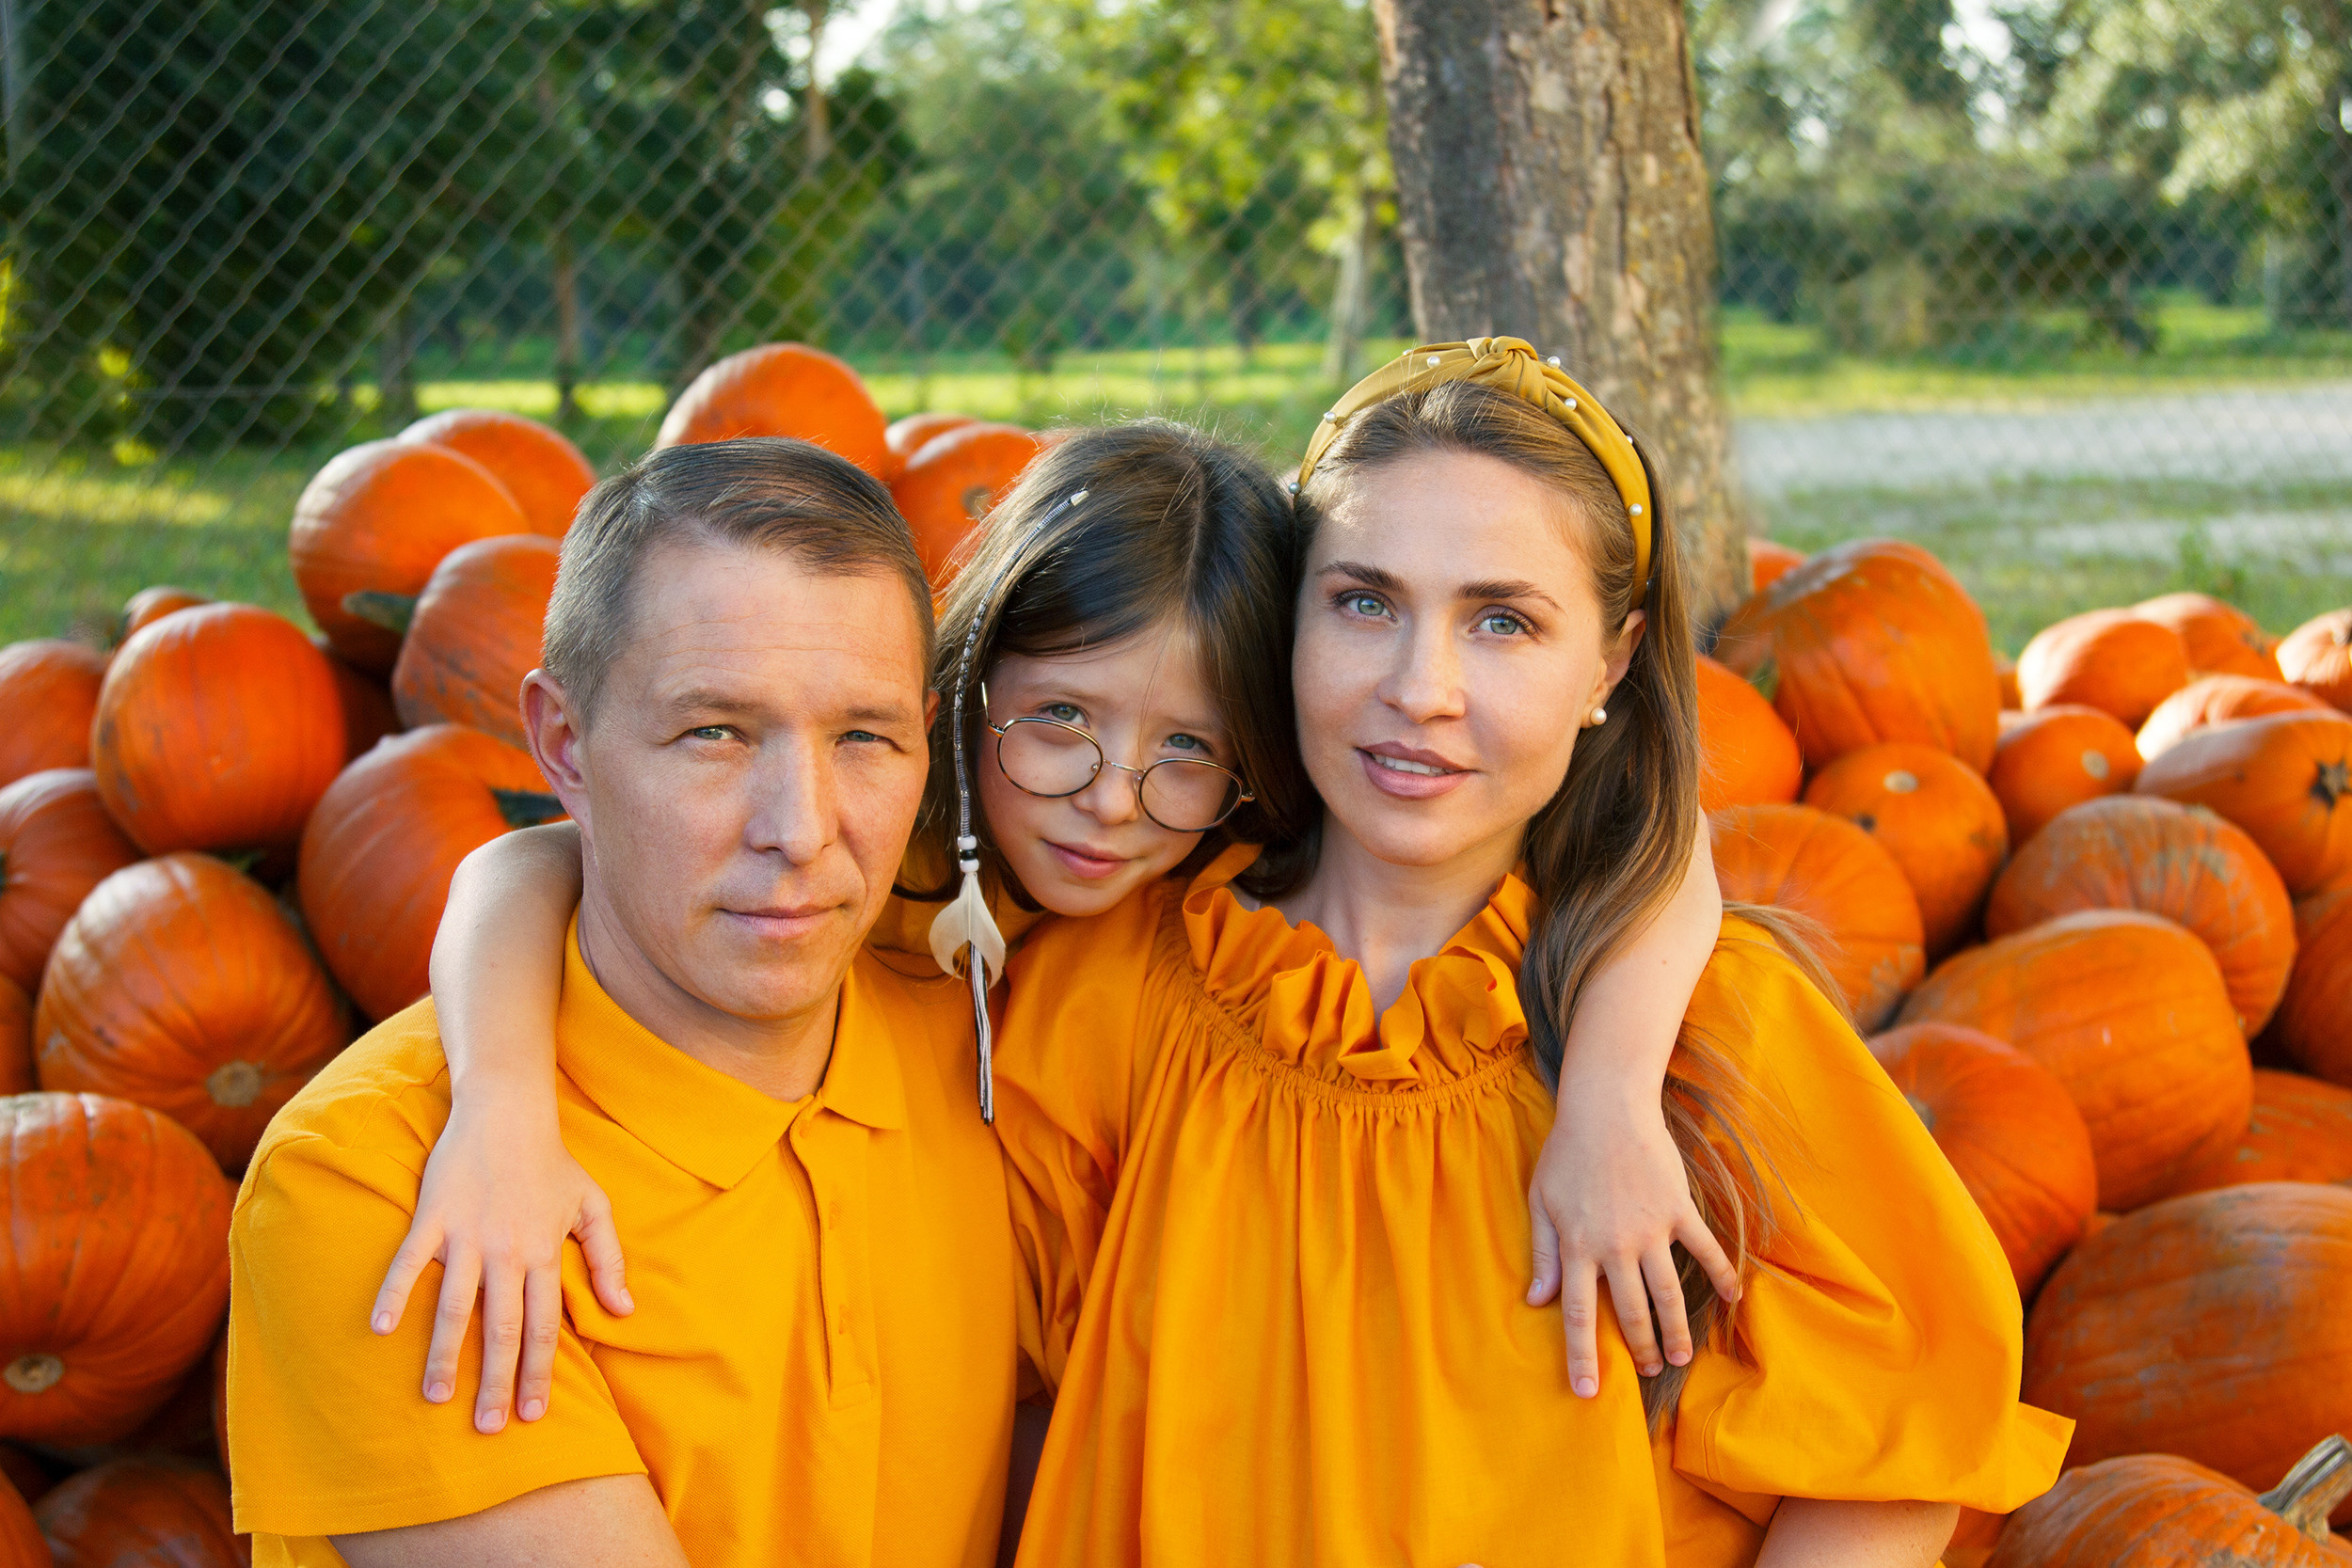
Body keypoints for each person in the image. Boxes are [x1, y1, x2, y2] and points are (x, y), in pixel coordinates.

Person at [380, 416, 1741, 1466]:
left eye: (1187, 745)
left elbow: (1662, 848)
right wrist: (501, 1104)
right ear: (970, 677)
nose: (1110, 797)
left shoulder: (1220, 879)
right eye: (1060, 720)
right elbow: (522, 863)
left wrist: (1611, 1093)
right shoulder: (855, 835)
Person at [984, 341, 2071, 1563]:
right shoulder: (1115, 984)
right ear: (1287, 617)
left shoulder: (1705, 1024)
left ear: (1609, 662)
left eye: (1502, 620)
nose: (1421, 688)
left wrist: (1607, 1093)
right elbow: (1027, 1410)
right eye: (1364, 601)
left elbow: (1895, 1448)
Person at [226, 439, 1020, 1567]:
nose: (800, 829)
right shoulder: (380, 1185)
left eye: (862, 736)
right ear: (564, 745)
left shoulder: (984, 1040)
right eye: (713, 732)